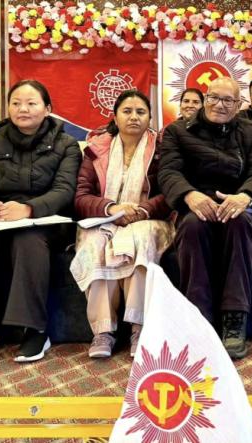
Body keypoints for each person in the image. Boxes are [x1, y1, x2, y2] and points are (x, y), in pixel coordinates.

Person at [0, 79, 81, 364]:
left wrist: (28, 209)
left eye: (31, 103)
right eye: (16, 103)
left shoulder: (66, 144)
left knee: (27, 240)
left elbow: (64, 192)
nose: (22, 109)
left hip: (48, 221)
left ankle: (35, 329)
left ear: (47, 109)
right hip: (3, 219)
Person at [159, 76, 252, 359]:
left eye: (228, 100)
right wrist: (189, 195)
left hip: (237, 203)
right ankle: (199, 318)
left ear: (238, 104)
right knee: (193, 227)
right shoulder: (177, 131)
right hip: (197, 203)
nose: (219, 105)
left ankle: (235, 319)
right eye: (214, 98)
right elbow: (168, 171)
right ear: (205, 99)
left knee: (240, 224)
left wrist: (245, 196)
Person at [71, 90, 174, 359]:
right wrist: (112, 209)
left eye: (141, 112)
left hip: (149, 218)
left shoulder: (162, 149)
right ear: (115, 117)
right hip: (105, 218)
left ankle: (139, 328)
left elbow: (170, 191)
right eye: (127, 111)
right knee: (95, 244)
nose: (134, 117)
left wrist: (142, 210)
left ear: (150, 118)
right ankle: (103, 330)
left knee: (138, 240)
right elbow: (81, 196)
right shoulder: (96, 150)